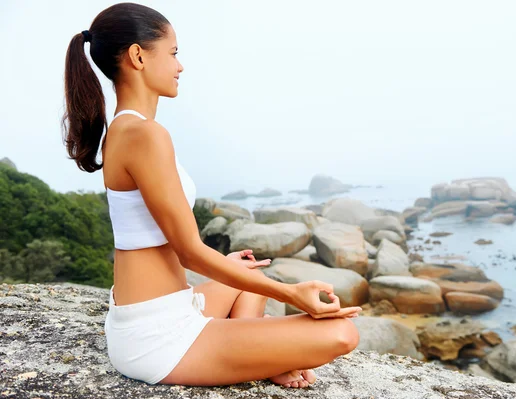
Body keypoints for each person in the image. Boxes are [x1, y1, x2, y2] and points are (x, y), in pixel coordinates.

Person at [62, 2, 361, 389]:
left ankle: (259, 354)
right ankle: (262, 356)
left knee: (246, 271)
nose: (179, 66)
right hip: (159, 337)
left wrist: (230, 266)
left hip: (169, 307)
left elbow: (166, 242)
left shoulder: (130, 129)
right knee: (341, 335)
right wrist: (293, 294)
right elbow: (189, 251)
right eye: (172, 53)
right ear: (138, 56)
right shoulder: (144, 135)